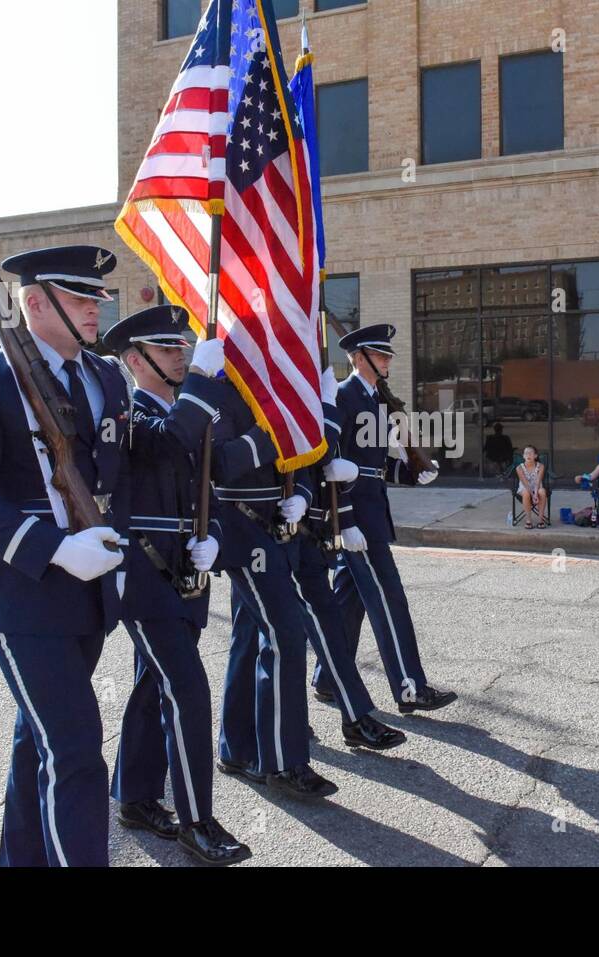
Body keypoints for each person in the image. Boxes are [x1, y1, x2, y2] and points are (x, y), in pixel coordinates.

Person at [0, 245, 130, 867]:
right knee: (73, 747)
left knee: (38, 740)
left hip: (90, 588)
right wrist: (53, 548)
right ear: (35, 303)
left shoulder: (104, 377)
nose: (96, 310)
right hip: (21, 591)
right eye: (79, 299)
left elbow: (120, 468)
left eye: (97, 298)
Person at [100, 305, 250, 865]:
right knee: (187, 687)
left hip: (186, 570)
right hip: (144, 573)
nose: (181, 355)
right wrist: (204, 386)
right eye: (167, 350)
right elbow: (170, 442)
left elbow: (205, 479)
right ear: (136, 360)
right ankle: (196, 819)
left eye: (183, 347)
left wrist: (211, 536)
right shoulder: (129, 414)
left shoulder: (184, 410)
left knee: (151, 685)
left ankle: (135, 797)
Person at [314, 324, 457, 714]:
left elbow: (373, 467)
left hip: (371, 511)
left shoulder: (376, 398)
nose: (387, 360)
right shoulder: (344, 397)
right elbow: (331, 466)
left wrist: (412, 471)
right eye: (380, 356)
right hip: (357, 518)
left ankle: (327, 677)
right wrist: (344, 520)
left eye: (388, 355)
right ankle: (410, 686)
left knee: (349, 601)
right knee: (390, 599)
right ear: (358, 359)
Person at [212, 366, 340, 800]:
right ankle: (284, 762)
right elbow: (219, 464)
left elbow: (300, 455)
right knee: (285, 634)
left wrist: (302, 493)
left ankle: (236, 747)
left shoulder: (274, 389)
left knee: (248, 638)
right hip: (242, 531)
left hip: (276, 531)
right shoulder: (221, 393)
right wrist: (271, 432)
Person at [292, 367, 407, 751]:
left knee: (330, 620)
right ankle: (254, 737)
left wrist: (341, 517)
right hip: (268, 532)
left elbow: (328, 459)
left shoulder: (346, 398)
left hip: (312, 528)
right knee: (265, 641)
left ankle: (352, 716)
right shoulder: (338, 396)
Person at [515, 445, 548, 528]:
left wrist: (535, 493)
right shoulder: (519, 468)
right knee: (526, 492)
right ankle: (528, 520)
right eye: (526, 453)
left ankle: (540, 520)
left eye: (530, 453)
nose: (528, 455)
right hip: (525, 488)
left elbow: (538, 482)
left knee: (542, 491)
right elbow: (525, 484)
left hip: (537, 487)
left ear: (535, 456)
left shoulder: (540, 466)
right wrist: (533, 495)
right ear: (523, 456)